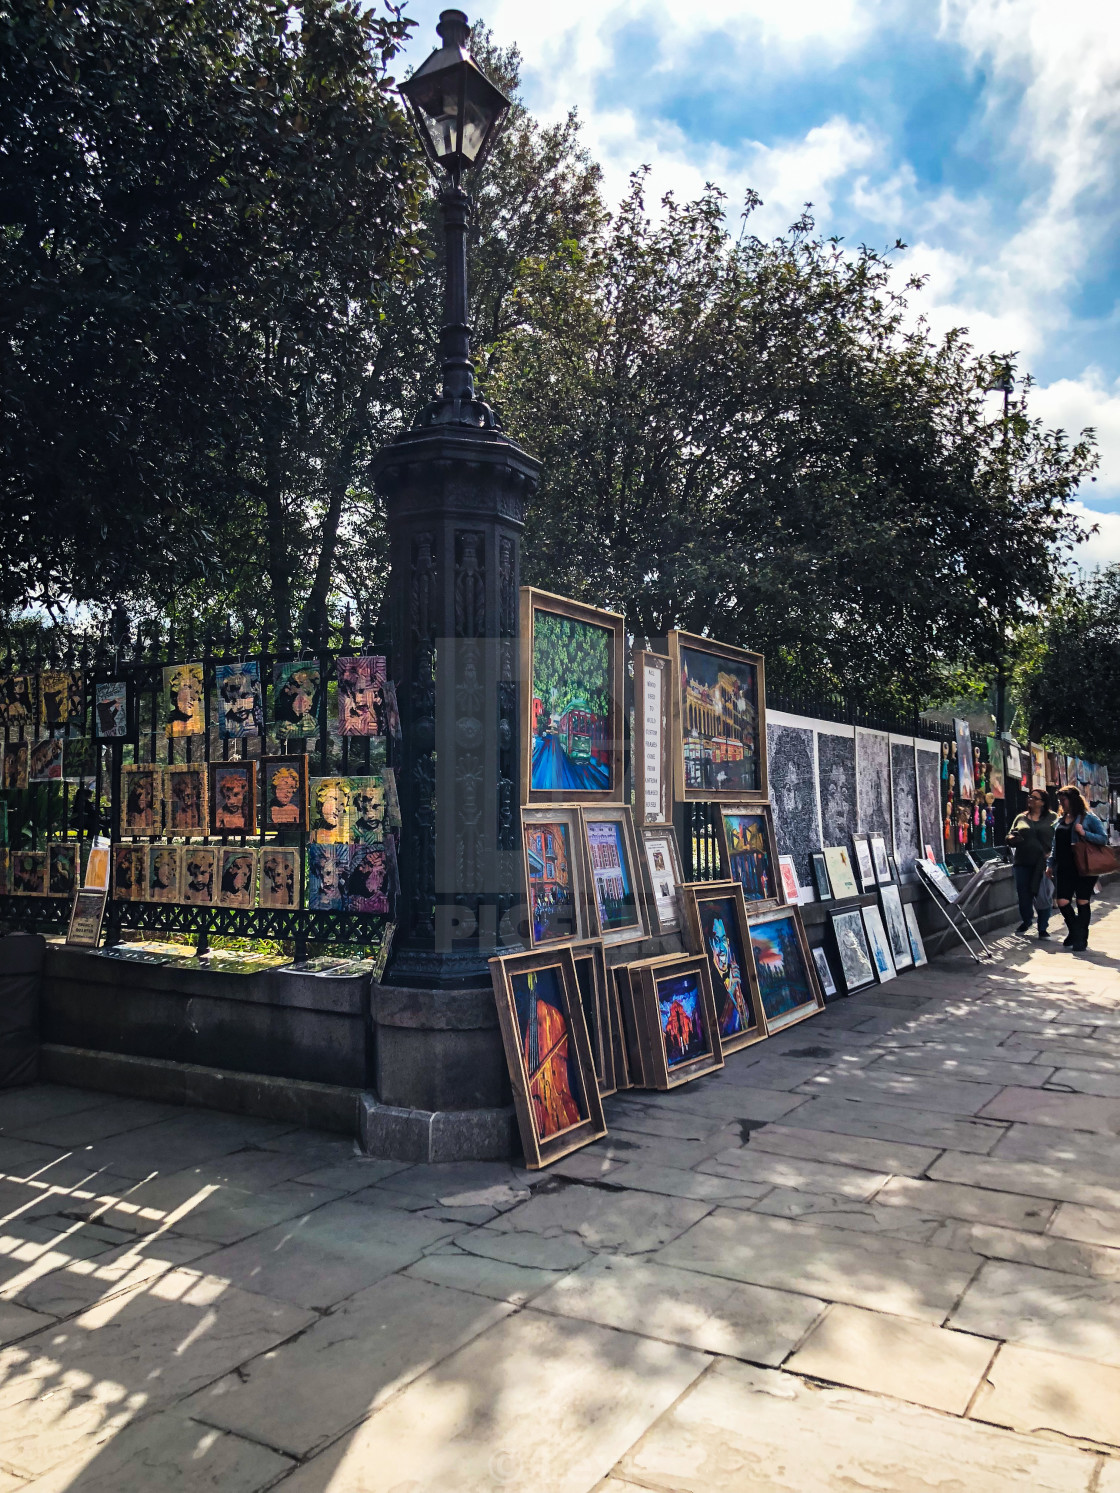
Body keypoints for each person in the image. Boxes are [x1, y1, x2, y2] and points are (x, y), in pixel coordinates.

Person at [1047, 785, 1109, 951]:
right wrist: (1050, 864)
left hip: (1084, 867)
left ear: (1073, 800)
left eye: (1063, 800)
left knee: (1082, 901)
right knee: (1062, 901)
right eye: (1060, 801)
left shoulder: (1088, 818)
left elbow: (1103, 839)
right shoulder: (1060, 820)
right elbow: (1055, 844)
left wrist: (1084, 834)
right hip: (1064, 867)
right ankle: (1076, 931)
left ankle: (1081, 938)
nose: (1061, 803)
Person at [1007, 788, 1056, 938]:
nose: (1030, 799)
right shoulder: (1021, 817)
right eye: (1030, 797)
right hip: (1022, 862)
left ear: (1042, 802)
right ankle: (1027, 920)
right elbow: (1010, 834)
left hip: (1042, 863)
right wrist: (1011, 838)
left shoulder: (1052, 818)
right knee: (1023, 895)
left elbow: (1059, 837)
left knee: (1043, 894)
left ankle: (1043, 927)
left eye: (1035, 798)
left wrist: (1052, 855)